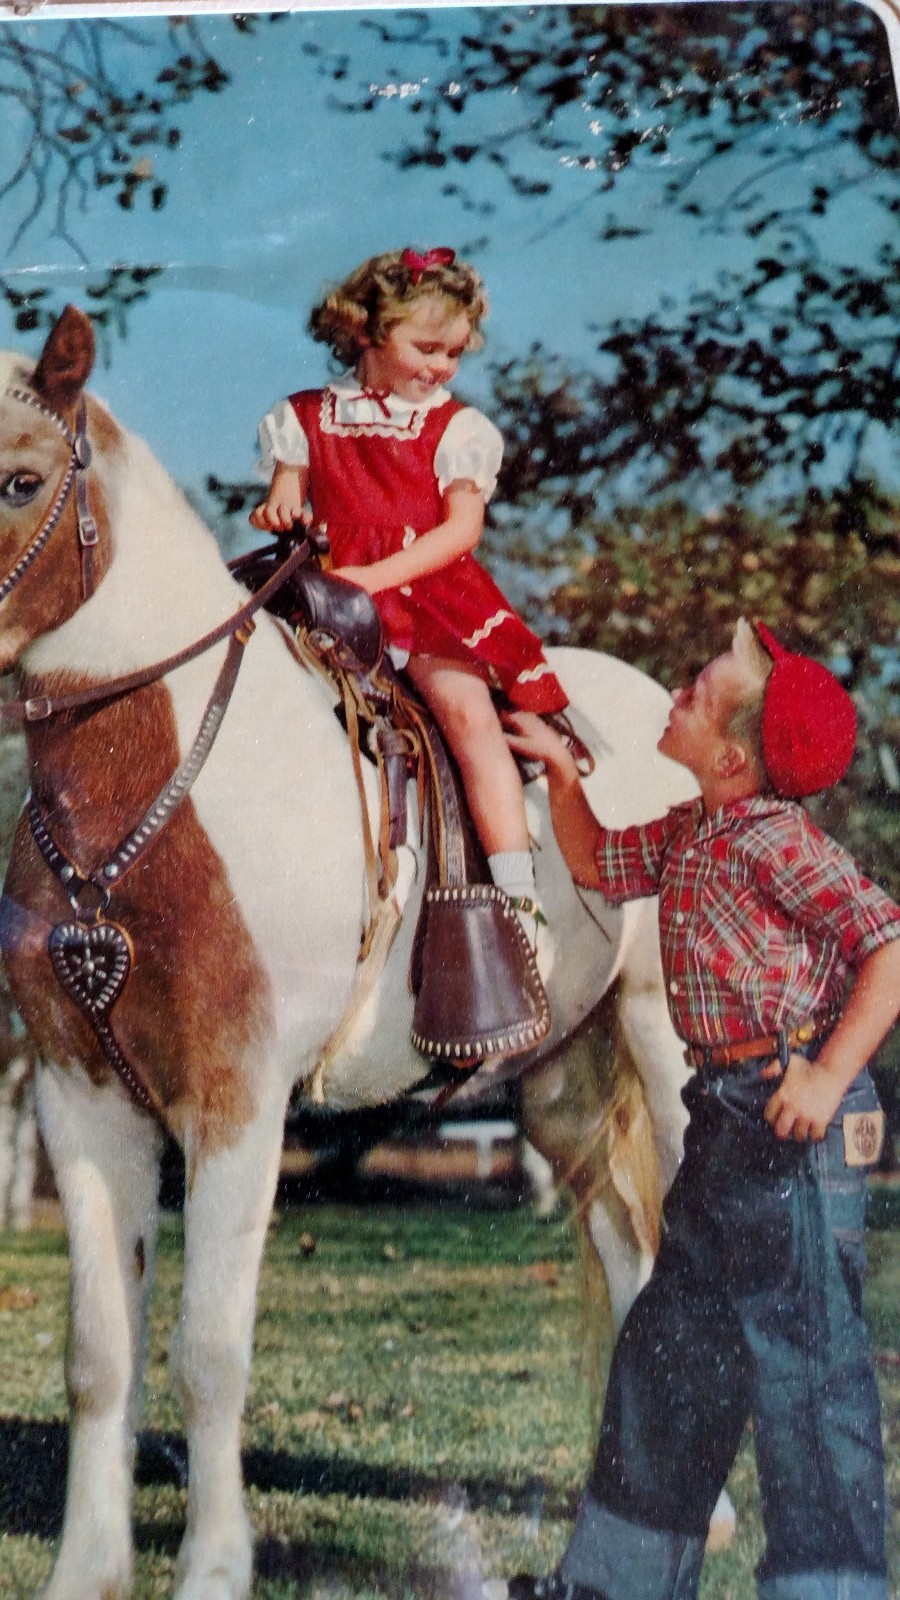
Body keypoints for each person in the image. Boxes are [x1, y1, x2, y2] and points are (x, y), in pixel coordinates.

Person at [497, 618, 900, 1600]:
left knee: (807, 1373)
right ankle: (618, 1581)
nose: (674, 690)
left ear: (728, 754)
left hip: (794, 1113)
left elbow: (888, 944)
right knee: (672, 1349)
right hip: (724, 1115)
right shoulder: (691, 832)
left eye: (696, 687)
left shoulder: (779, 845)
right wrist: (559, 774)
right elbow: (594, 864)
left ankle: (830, 1589)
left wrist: (822, 1072)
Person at [251, 245, 569, 951]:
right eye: (426, 347)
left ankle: (516, 885)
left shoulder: (455, 427)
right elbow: (287, 494)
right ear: (367, 332)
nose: (441, 367)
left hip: (423, 591)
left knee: (464, 709)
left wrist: (372, 578)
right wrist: (281, 506)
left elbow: (461, 531)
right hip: (325, 593)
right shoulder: (304, 416)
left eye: (454, 353)